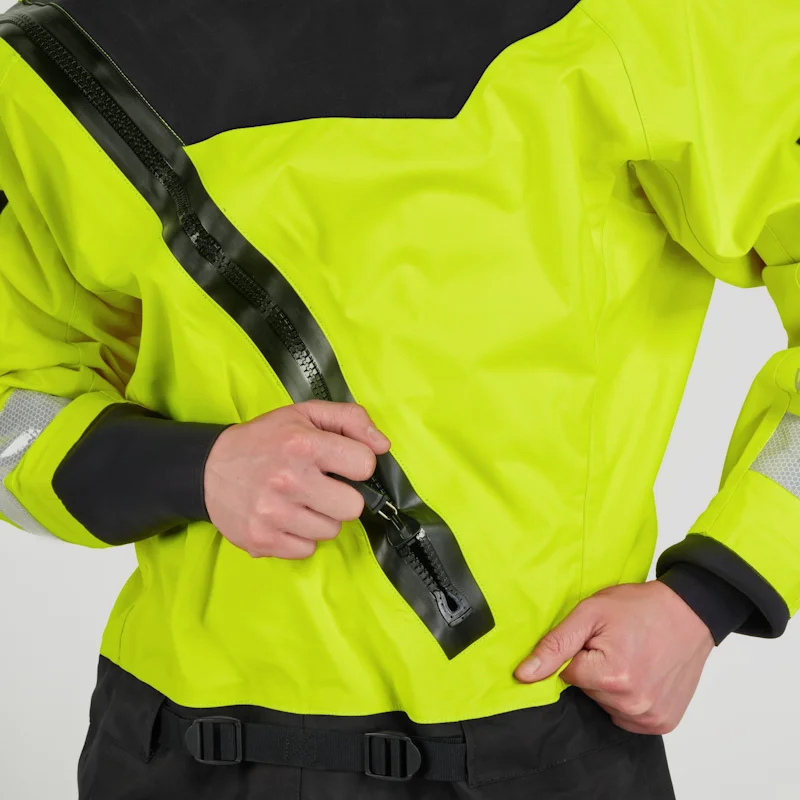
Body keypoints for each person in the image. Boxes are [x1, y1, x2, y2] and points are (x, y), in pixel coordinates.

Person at [0, 0, 798, 797]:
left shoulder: (659, 20)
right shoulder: (56, 58)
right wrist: (197, 470)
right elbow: (14, 402)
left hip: (533, 739)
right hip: (182, 748)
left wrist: (711, 595)